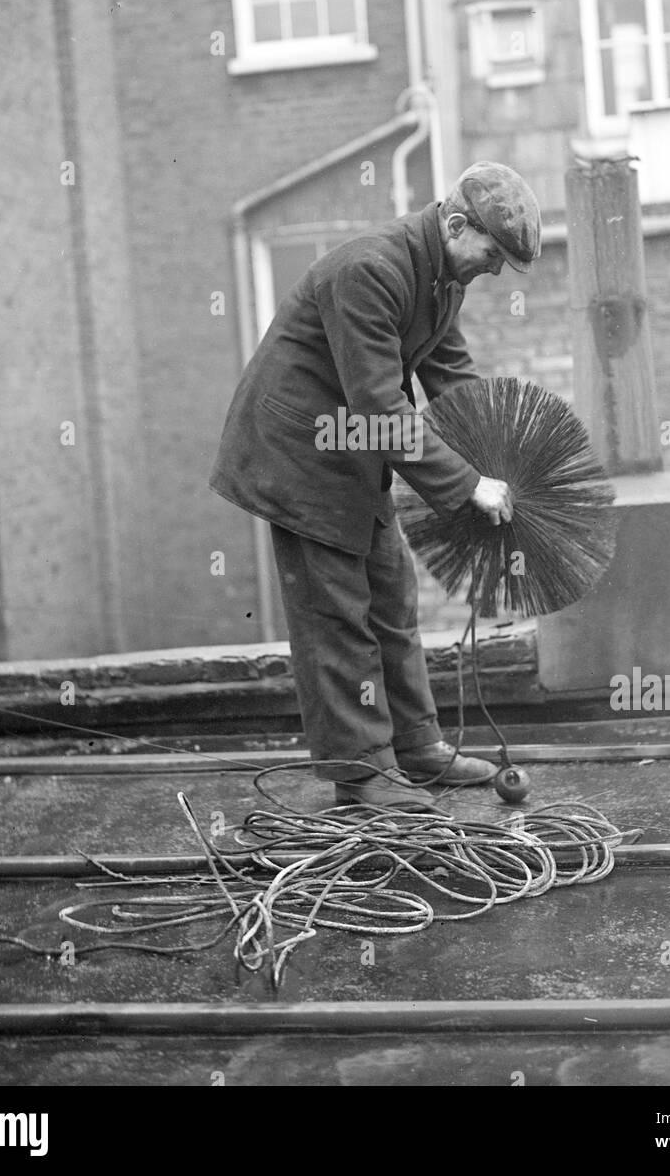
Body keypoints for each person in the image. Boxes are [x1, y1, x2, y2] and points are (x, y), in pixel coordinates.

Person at [210, 161, 542, 809]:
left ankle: (415, 750)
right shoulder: (371, 271)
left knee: (392, 597)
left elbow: (453, 381)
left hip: (354, 455)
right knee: (337, 615)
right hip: (298, 458)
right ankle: (362, 776)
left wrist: (496, 463)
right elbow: (378, 406)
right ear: (453, 224)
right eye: (492, 255)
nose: (493, 269)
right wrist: (465, 486)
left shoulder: (442, 277)